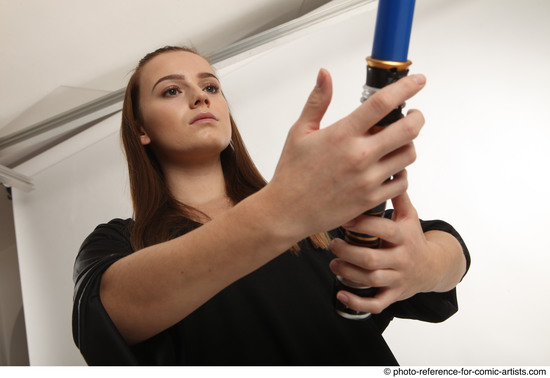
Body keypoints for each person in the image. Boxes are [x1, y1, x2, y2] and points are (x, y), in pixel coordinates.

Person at [72, 46, 469, 365]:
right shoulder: (120, 241)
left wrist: (425, 267)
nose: (199, 97)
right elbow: (106, 313)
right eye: (172, 90)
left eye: (210, 87)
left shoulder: (320, 218)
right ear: (141, 128)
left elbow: (445, 241)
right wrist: (283, 208)